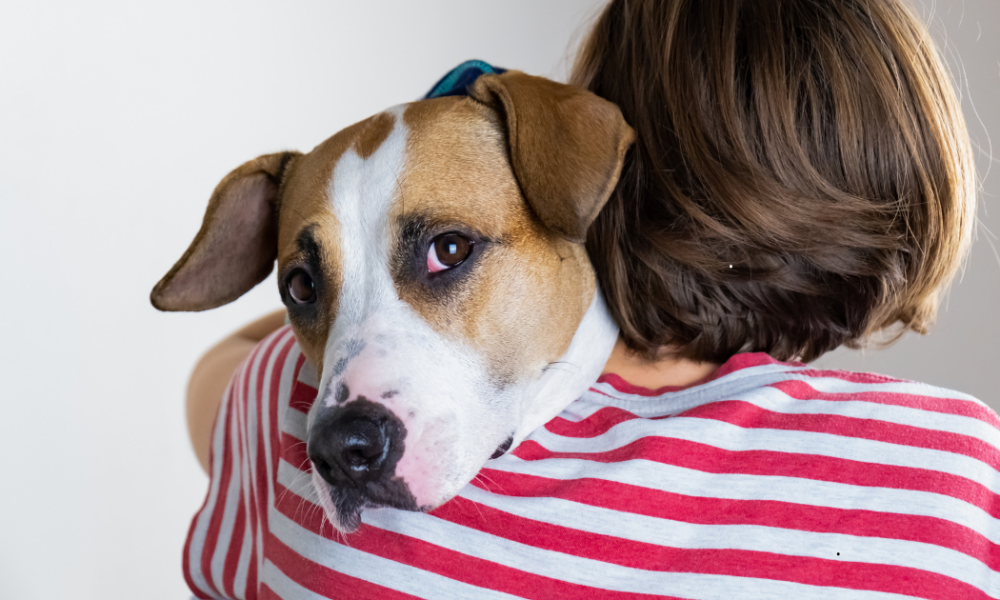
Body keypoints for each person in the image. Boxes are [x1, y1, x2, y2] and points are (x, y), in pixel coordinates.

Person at [180, 0, 994, 598]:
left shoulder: (279, 407)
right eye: (308, 291)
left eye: (450, 251)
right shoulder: (957, 477)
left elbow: (210, 380)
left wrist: (329, 267)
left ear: (607, 168)